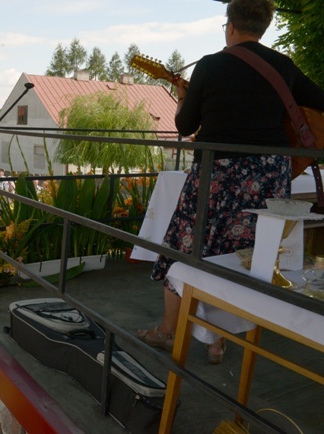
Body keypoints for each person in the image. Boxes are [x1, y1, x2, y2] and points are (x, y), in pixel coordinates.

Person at [137, 0, 324, 364]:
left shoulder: (210, 65)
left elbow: (185, 127)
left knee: (183, 252)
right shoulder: (282, 65)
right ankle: (217, 341)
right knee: (246, 255)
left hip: (218, 175)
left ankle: (169, 331)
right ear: (265, 26)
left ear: (230, 26)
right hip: (270, 177)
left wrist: (183, 100)